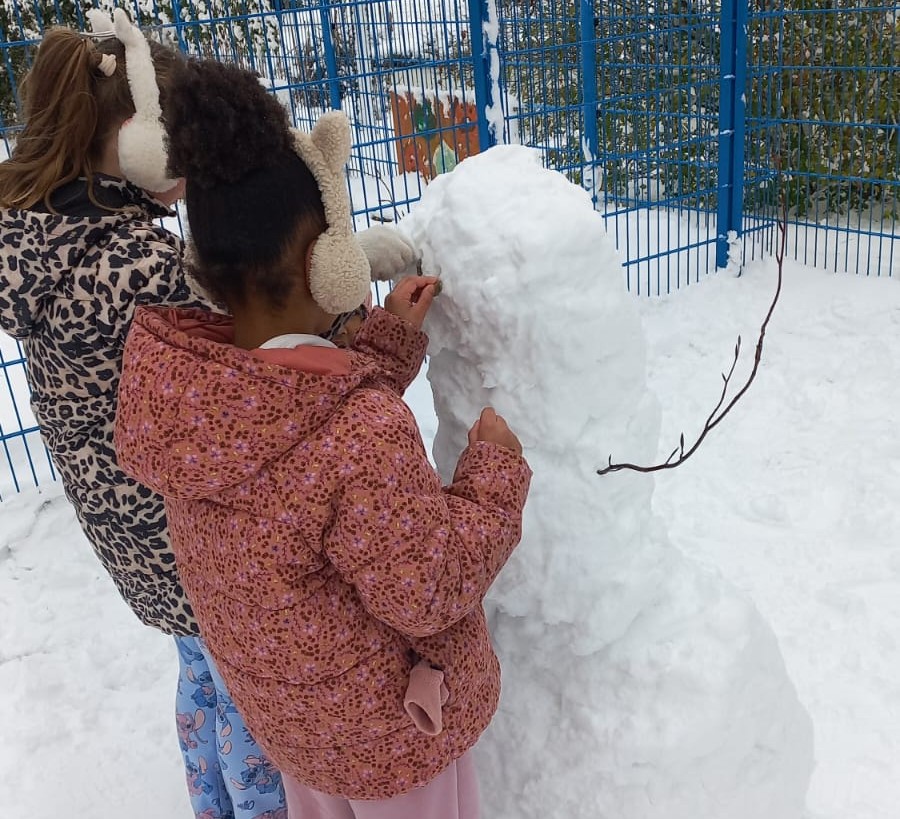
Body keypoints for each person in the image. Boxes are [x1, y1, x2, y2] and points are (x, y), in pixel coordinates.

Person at [0, 12, 413, 818]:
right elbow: (267, 327)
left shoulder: (43, 235)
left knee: (201, 675)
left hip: (130, 524)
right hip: (186, 529)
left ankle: (209, 801)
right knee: (249, 702)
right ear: (129, 137)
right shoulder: (134, 264)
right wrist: (355, 281)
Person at [113, 56, 532, 819]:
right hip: (395, 742)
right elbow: (428, 584)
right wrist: (494, 475)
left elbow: (294, 423)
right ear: (326, 260)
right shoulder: (359, 436)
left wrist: (388, 348)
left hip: (300, 738)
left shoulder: (195, 408)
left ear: (205, 268)